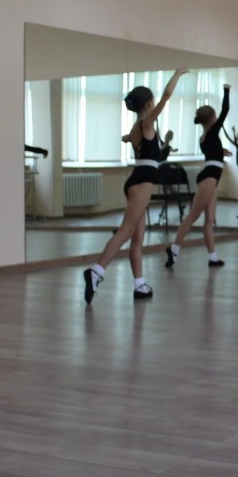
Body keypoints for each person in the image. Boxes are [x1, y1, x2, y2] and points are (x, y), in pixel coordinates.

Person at [83, 68, 187, 305]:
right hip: (142, 182)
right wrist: (178, 74)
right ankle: (96, 272)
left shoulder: (136, 128)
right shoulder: (147, 122)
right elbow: (167, 95)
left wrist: (128, 139)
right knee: (126, 231)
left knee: (138, 238)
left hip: (135, 180)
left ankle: (140, 285)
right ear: (149, 103)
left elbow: (128, 138)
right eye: (153, 101)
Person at [164, 85, 232, 269]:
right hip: (209, 177)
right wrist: (226, 90)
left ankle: (213, 257)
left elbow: (213, 152)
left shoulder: (206, 137)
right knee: (193, 216)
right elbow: (226, 110)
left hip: (211, 177)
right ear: (212, 119)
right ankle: (174, 249)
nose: (218, 119)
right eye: (215, 117)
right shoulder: (212, 132)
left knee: (209, 219)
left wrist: (222, 152)